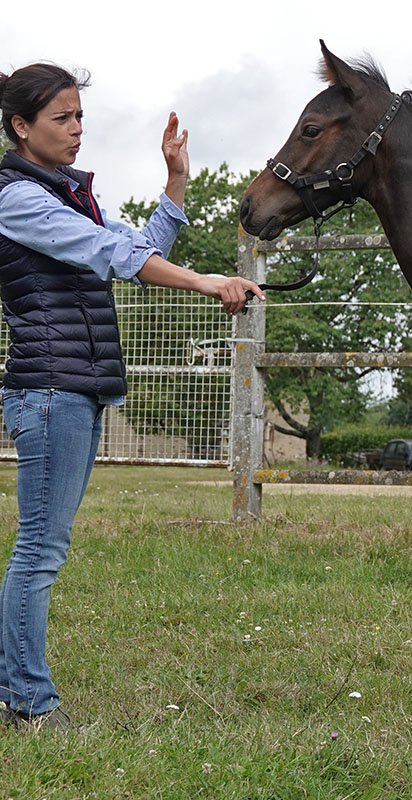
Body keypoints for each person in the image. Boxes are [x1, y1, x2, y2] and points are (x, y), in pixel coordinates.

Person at [0, 62, 263, 731]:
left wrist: (175, 181)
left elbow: (136, 249)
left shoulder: (68, 196)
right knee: (39, 551)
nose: (77, 129)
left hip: (78, 390)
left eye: (80, 116)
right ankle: (27, 702)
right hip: (48, 389)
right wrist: (207, 282)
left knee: (43, 549)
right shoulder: (17, 199)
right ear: (21, 126)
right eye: (62, 118)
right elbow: (110, 254)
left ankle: (19, 694)